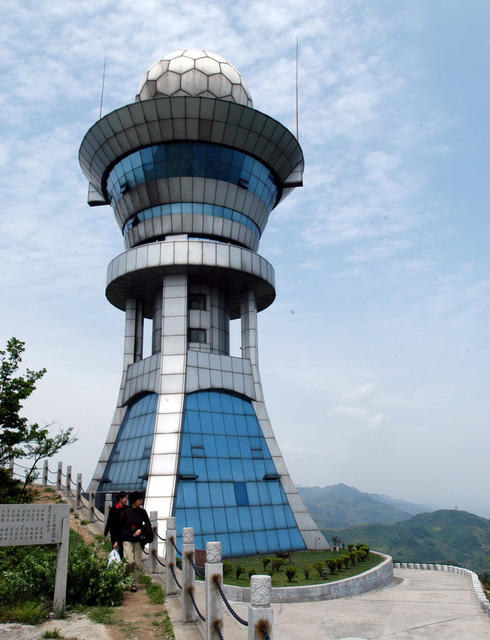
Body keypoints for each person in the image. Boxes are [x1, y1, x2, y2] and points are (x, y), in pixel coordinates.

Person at [120, 491, 152, 592]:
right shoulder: (126, 512)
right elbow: (121, 526)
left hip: (138, 540)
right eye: (140, 499)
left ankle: (134, 584)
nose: (141, 501)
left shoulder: (142, 512)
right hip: (127, 539)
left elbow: (148, 524)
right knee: (129, 561)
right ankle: (125, 579)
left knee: (137, 563)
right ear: (135, 501)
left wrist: (141, 529)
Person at [103, 491, 128, 557]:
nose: (126, 500)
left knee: (123, 553)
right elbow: (109, 522)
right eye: (125, 498)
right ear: (120, 498)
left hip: (124, 534)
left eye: (127, 498)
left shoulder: (127, 509)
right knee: (116, 553)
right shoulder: (114, 509)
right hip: (115, 534)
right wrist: (105, 534)